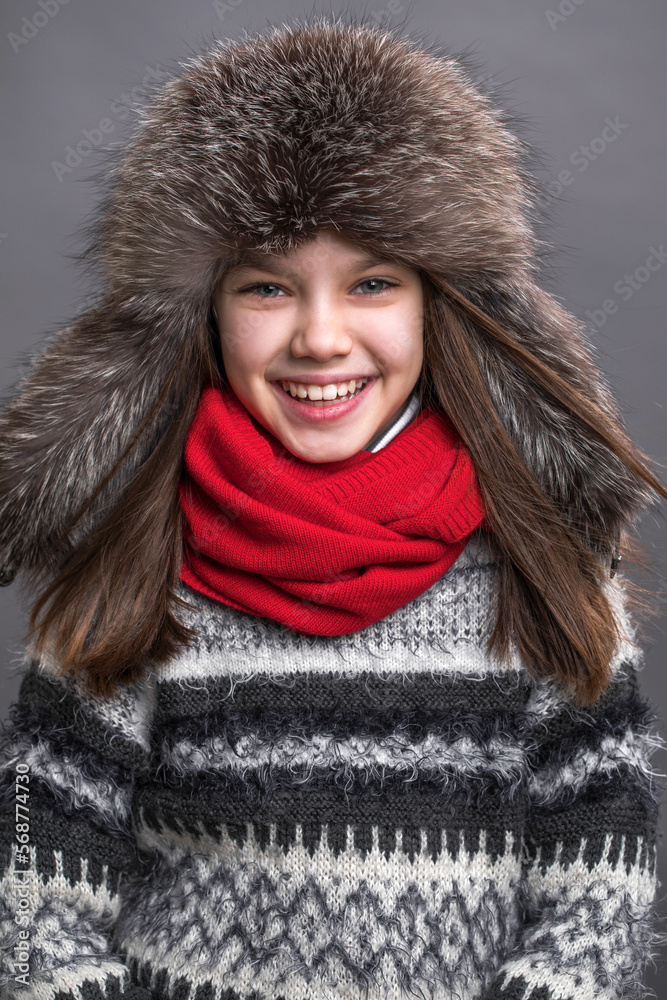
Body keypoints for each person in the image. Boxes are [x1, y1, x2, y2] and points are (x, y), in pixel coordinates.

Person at [0, 13, 664, 1000]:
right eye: (267, 286)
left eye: (372, 282)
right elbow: (43, 878)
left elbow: (601, 859)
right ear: (201, 315)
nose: (320, 336)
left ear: (442, 304)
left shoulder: (539, 568)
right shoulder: (134, 565)